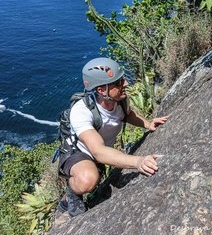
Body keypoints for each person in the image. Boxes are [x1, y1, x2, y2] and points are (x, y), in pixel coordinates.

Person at [58, 57, 168, 217]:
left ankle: (71, 193)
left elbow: (127, 115)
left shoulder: (119, 100)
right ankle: (72, 193)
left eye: (122, 79)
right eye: (118, 83)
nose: (125, 84)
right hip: (79, 152)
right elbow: (98, 151)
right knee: (88, 179)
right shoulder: (82, 111)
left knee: (92, 177)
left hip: (100, 151)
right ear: (102, 90)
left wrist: (148, 123)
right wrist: (138, 162)